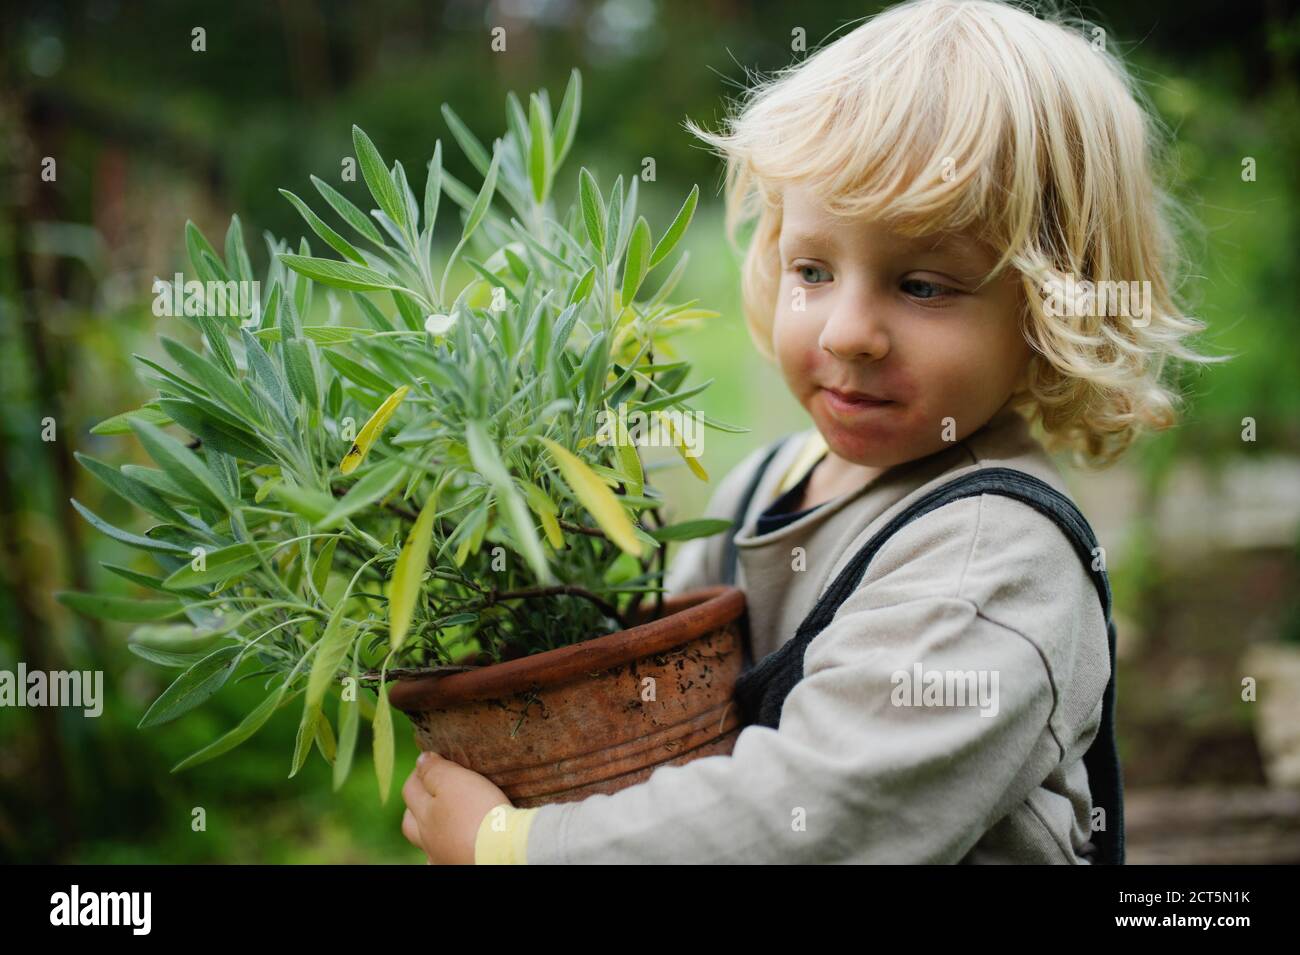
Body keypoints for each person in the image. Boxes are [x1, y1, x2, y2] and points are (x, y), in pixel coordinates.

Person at [400, 0, 1215, 864]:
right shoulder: (766, 485)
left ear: (1053, 308)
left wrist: (517, 843)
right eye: (813, 269)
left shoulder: (995, 559)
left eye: (924, 284)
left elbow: (811, 817)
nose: (844, 331)